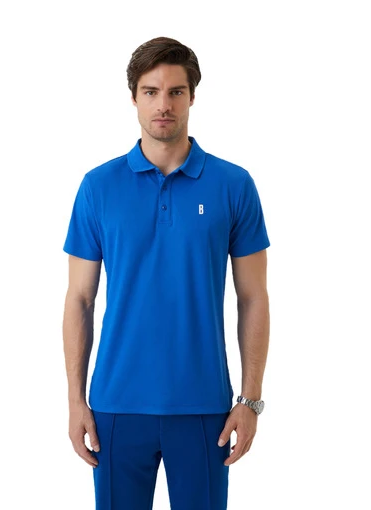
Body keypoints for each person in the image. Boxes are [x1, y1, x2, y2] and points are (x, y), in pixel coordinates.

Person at [62, 36, 271, 510]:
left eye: (176, 91)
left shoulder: (234, 185)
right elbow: (79, 298)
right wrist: (76, 400)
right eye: (151, 91)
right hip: (115, 406)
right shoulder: (98, 187)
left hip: (205, 407)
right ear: (134, 97)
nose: (164, 105)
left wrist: (251, 400)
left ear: (192, 96)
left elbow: (254, 296)